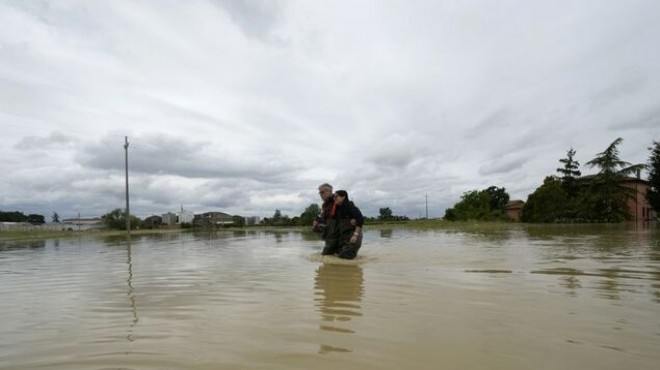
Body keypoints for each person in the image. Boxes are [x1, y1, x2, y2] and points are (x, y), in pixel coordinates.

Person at [322, 190, 364, 259]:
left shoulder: (351, 207)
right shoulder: (338, 210)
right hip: (343, 239)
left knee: (345, 257)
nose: (334, 198)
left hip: (353, 237)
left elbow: (360, 220)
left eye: (336, 196)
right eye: (334, 197)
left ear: (343, 197)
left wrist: (355, 235)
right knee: (334, 255)